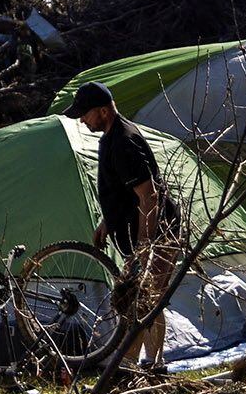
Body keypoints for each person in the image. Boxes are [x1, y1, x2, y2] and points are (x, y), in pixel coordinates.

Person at [69, 80, 172, 373]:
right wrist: (108, 221)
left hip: (158, 231)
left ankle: (145, 365)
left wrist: (145, 246)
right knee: (136, 301)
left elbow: (149, 195)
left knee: (145, 300)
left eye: (85, 113)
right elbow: (126, 192)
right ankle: (136, 365)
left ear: (103, 111)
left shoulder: (124, 141)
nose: (81, 119)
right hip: (137, 229)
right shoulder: (112, 135)